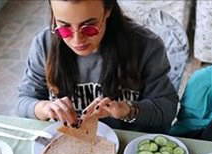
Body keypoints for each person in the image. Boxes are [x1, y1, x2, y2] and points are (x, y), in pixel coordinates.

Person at [17, 0, 178, 133]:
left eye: (89, 27)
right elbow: (23, 102)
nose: (77, 40)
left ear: (108, 10)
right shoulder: (44, 44)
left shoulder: (146, 46)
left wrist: (128, 110)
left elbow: (167, 110)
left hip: (126, 145)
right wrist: (44, 108)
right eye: (64, 28)